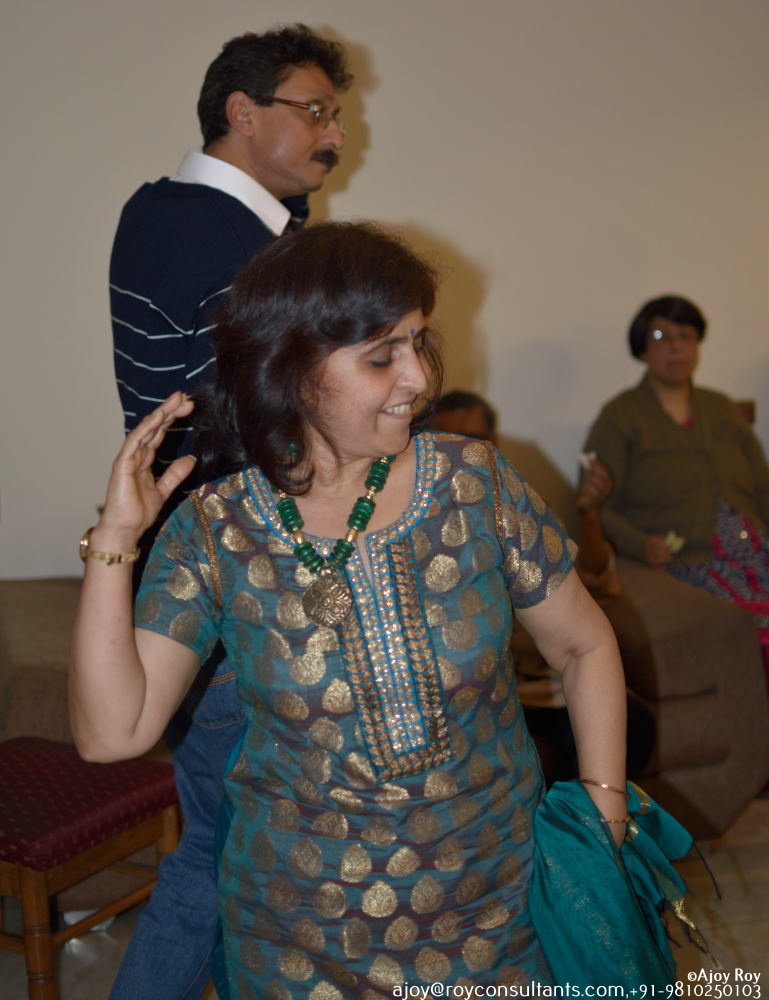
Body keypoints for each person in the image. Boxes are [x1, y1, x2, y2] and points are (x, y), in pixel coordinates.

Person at [72, 222, 628, 996]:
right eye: (381, 356)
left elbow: (583, 646)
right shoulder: (218, 530)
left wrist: (603, 815)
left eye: (417, 342)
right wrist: (115, 541)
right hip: (300, 945)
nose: (418, 378)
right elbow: (112, 733)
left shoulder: (474, 483)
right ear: (292, 368)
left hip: (500, 918)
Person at [106, 25, 352, 999]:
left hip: (211, 570)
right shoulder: (216, 237)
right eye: (316, 110)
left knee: (229, 853)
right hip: (245, 585)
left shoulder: (190, 219)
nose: (336, 133)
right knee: (221, 857)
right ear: (242, 113)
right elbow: (273, 431)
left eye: (339, 113)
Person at [429, 391, 654, 782]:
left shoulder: (514, 504)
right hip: (488, 694)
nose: (462, 453)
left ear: (493, 443)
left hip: (548, 684)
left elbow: (594, 580)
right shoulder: (423, 528)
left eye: (475, 440)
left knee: (635, 724)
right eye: (448, 441)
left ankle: (588, 817)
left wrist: (589, 513)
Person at [584, 294, 769, 674]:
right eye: (661, 336)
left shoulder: (721, 408)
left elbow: (763, 487)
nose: (676, 347)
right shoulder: (620, 416)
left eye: (686, 336)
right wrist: (640, 543)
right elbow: (596, 508)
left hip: (756, 551)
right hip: (689, 562)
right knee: (753, 630)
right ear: (642, 348)